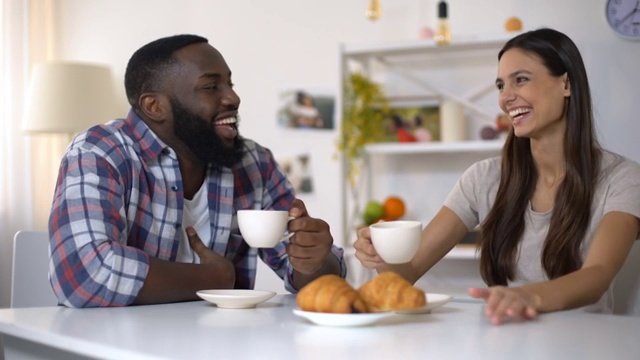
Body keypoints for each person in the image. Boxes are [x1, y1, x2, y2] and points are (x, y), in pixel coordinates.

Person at [354, 28, 640, 325]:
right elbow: (407, 271)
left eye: (521, 79)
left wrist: (529, 296)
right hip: (502, 342)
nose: (506, 97)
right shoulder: (483, 178)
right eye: (501, 85)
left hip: (585, 346)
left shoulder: (622, 178)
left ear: (566, 83)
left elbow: (597, 275)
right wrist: (383, 257)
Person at [48, 34, 346, 308]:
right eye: (211, 87)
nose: (233, 98)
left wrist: (315, 261)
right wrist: (213, 278)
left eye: (230, 84)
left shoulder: (254, 163)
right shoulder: (101, 152)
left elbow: (311, 276)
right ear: (154, 106)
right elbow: (84, 275)